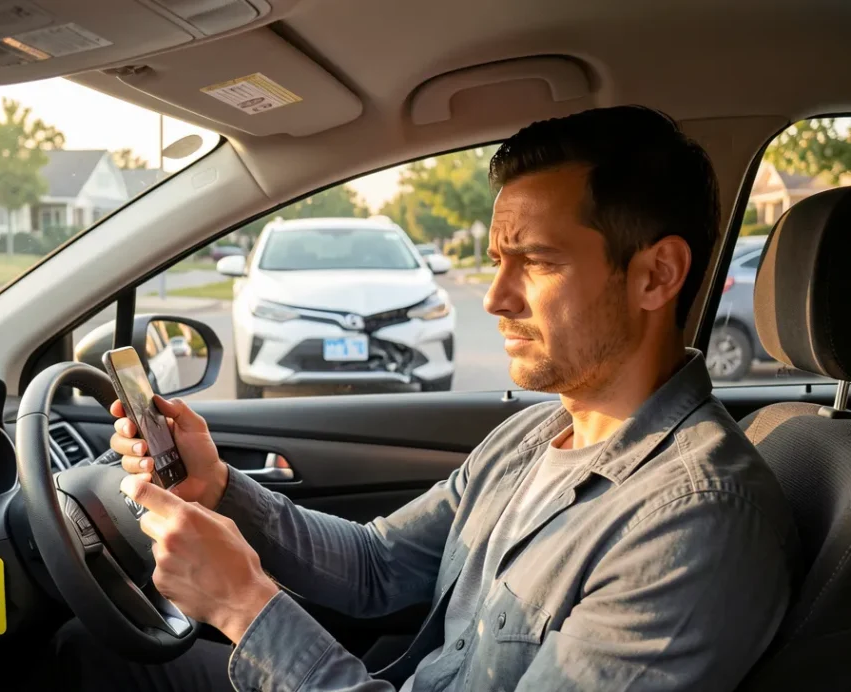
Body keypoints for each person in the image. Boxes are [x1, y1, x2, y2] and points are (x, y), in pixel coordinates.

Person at [52, 106, 798, 691]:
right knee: (88, 655)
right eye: (496, 260)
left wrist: (246, 608)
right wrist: (218, 488)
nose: (496, 299)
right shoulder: (536, 435)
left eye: (535, 262)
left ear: (656, 276)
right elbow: (378, 567)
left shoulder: (695, 523)